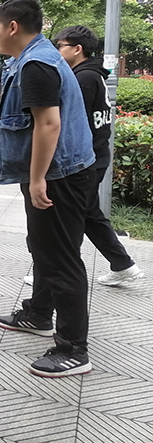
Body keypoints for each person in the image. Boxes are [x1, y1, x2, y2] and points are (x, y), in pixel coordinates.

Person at [0, 0, 96, 378]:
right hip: (53, 172)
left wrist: (38, 178)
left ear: (12, 27)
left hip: (60, 175)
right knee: (43, 247)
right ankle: (39, 314)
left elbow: (49, 124)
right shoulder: (21, 60)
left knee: (61, 258)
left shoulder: (37, 65)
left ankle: (73, 348)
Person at [54, 25, 143, 286]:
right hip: (95, 155)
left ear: (77, 49)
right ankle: (123, 265)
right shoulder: (91, 75)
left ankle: (53, 272)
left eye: (60, 46)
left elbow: (70, 122)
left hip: (85, 159)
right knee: (88, 214)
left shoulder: (84, 79)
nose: (57, 51)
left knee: (68, 216)